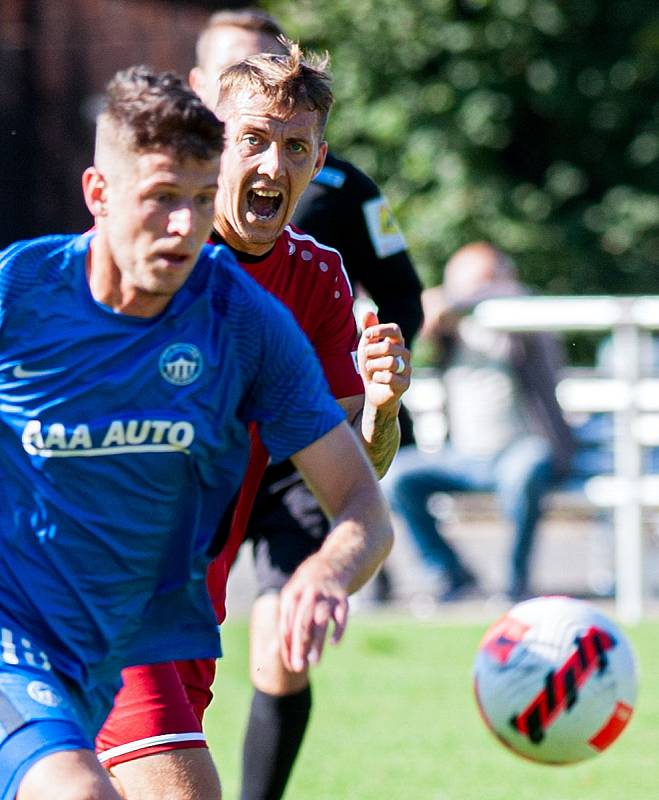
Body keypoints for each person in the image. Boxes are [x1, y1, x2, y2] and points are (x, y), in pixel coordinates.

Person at [0, 65, 395, 800]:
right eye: (161, 201)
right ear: (99, 197)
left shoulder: (251, 320)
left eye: (192, 201)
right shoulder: (22, 292)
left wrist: (322, 572)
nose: (184, 227)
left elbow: (360, 504)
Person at [191, 10, 422, 798]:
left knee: (283, 640)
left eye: (294, 147)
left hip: (275, 472)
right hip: (113, 585)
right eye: (252, 138)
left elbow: (361, 479)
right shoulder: (151, 254)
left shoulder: (320, 269)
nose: (272, 162)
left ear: (319, 159)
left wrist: (382, 408)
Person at [386, 242, 574, 603]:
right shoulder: (454, 329)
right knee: (398, 479)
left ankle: (513, 582)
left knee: (524, 472)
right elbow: (420, 316)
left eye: (476, 281)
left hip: (520, 450)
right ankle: (449, 574)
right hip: (463, 456)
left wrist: (460, 297)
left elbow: (511, 294)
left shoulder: (525, 318)